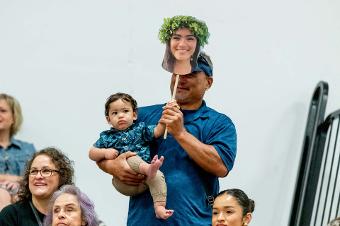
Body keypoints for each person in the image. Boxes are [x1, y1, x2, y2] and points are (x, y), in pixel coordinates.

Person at [97, 23, 237, 225]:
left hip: (193, 222)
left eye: (190, 74)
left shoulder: (219, 123)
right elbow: (102, 149)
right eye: (177, 73)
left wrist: (180, 133)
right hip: (143, 220)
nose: (181, 80)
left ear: (208, 82)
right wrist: (112, 166)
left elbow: (221, 166)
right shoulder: (142, 115)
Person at [89, 93, 173, 219]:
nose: (121, 115)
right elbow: (91, 153)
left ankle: (159, 207)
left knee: (158, 176)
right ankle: (149, 169)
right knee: (129, 156)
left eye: (125, 111)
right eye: (115, 113)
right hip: (124, 183)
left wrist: (164, 120)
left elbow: (157, 131)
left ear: (134, 115)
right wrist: (105, 153)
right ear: (108, 119)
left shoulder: (140, 129)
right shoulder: (107, 137)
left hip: (145, 181)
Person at [0, 147, 74, 226]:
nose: (38, 176)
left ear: (62, 177)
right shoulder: (11, 215)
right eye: (34, 171)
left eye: (46, 171)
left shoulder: (72, 215)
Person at [0, 93, 36, 210]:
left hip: (21, 194)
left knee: (21, 196)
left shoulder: (28, 149)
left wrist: (17, 183)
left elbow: (36, 176)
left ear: (14, 117)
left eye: (3, 111)